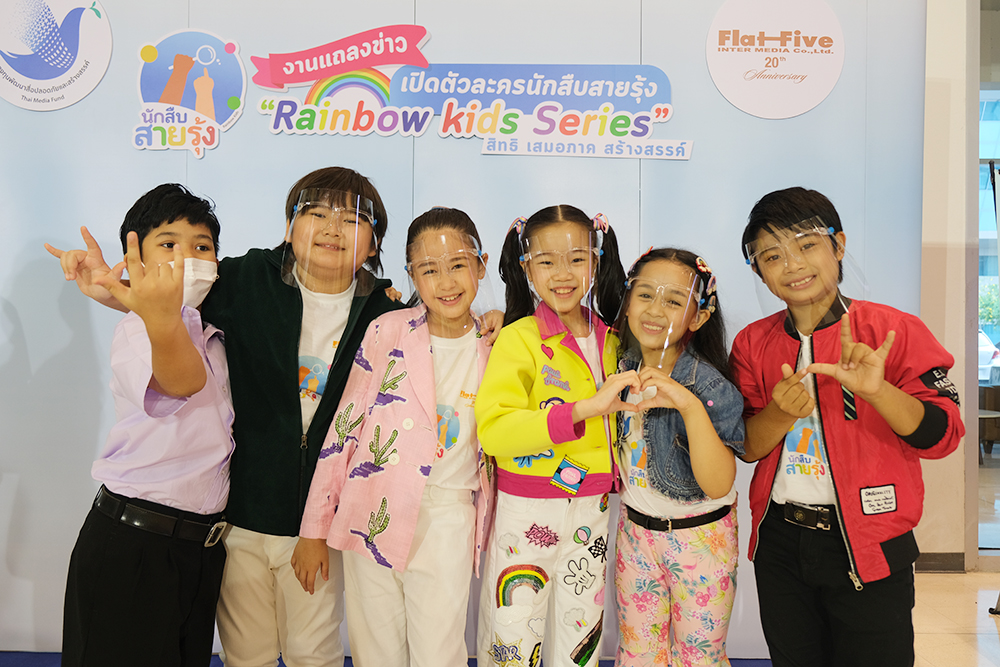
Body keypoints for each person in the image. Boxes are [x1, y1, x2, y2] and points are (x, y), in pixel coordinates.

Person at [48, 168, 402, 667]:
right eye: (317, 212)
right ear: (289, 226)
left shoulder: (387, 315)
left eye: (351, 219)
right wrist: (110, 285)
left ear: (375, 242)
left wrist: (491, 322)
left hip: (315, 525)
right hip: (234, 521)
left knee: (314, 653)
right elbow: (170, 297)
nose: (331, 228)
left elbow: (443, 329)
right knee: (244, 655)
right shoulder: (246, 279)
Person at [729, 187, 964, 667]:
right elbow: (748, 447)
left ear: (838, 245)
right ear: (759, 272)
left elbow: (943, 435)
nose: (793, 264)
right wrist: (780, 414)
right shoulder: (753, 343)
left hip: (872, 540)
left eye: (806, 245)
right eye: (772, 256)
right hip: (781, 543)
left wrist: (879, 392)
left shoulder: (894, 330)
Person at [292, 207, 496, 667]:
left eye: (458, 265)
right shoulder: (387, 330)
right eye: (429, 270)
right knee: (375, 651)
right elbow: (344, 430)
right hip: (372, 506)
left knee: (439, 652)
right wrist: (313, 529)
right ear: (411, 275)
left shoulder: (496, 342)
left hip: (447, 516)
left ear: (481, 265)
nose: (446, 282)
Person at [60, 184, 233, 666]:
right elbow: (181, 381)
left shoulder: (208, 329)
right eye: (168, 243)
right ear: (135, 257)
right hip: (134, 547)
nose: (187, 258)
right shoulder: (139, 330)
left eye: (202, 246)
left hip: (198, 552)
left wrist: (121, 296)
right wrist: (137, 303)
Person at [474, 205, 635, 667]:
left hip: (593, 508)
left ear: (596, 261)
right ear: (527, 268)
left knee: (581, 639)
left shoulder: (614, 340)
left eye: (577, 259)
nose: (563, 274)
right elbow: (495, 432)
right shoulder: (519, 338)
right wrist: (583, 410)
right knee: (512, 636)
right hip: (527, 509)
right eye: (546, 261)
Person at [612, 248, 744, 667]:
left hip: (700, 540)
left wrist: (688, 405)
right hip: (636, 535)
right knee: (638, 654)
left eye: (673, 300)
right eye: (645, 294)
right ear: (627, 301)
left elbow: (718, 484)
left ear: (698, 316)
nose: (655, 310)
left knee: (699, 657)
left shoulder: (709, 386)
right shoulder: (616, 364)